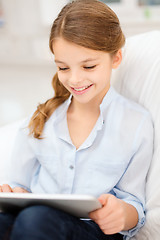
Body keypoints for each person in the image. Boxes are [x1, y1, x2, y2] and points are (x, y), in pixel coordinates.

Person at [0, 0, 153, 240]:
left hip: (92, 231)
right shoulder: (42, 119)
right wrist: (13, 192)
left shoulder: (135, 123)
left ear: (116, 59)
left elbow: (134, 203)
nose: (75, 79)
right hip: (36, 223)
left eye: (89, 66)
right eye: (63, 68)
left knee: (36, 219)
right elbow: (20, 185)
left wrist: (123, 213)